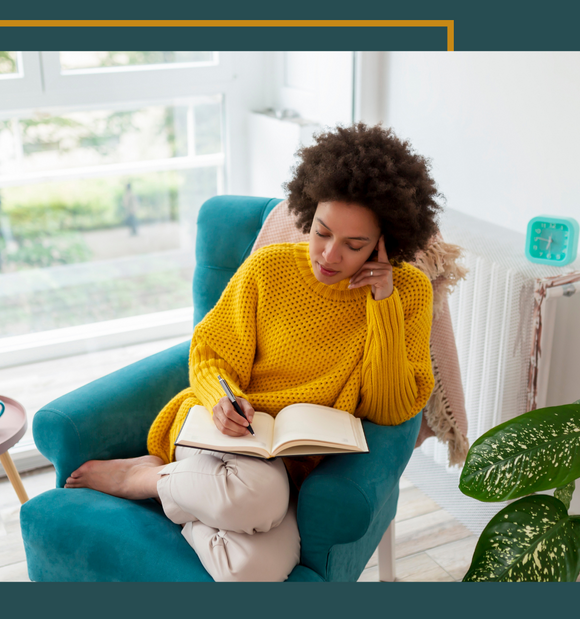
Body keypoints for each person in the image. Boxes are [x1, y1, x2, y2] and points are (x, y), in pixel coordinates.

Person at [63, 123, 442, 581]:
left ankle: (185, 501)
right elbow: (210, 352)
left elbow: (390, 408)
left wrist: (383, 305)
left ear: (386, 243)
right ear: (309, 210)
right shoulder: (269, 268)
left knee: (251, 571)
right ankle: (141, 479)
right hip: (226, 438)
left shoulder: (408, 293)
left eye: (354, 245)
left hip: (291, 466)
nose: (328, 254)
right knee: (258, 496)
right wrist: (222, 398)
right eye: (321, 232)